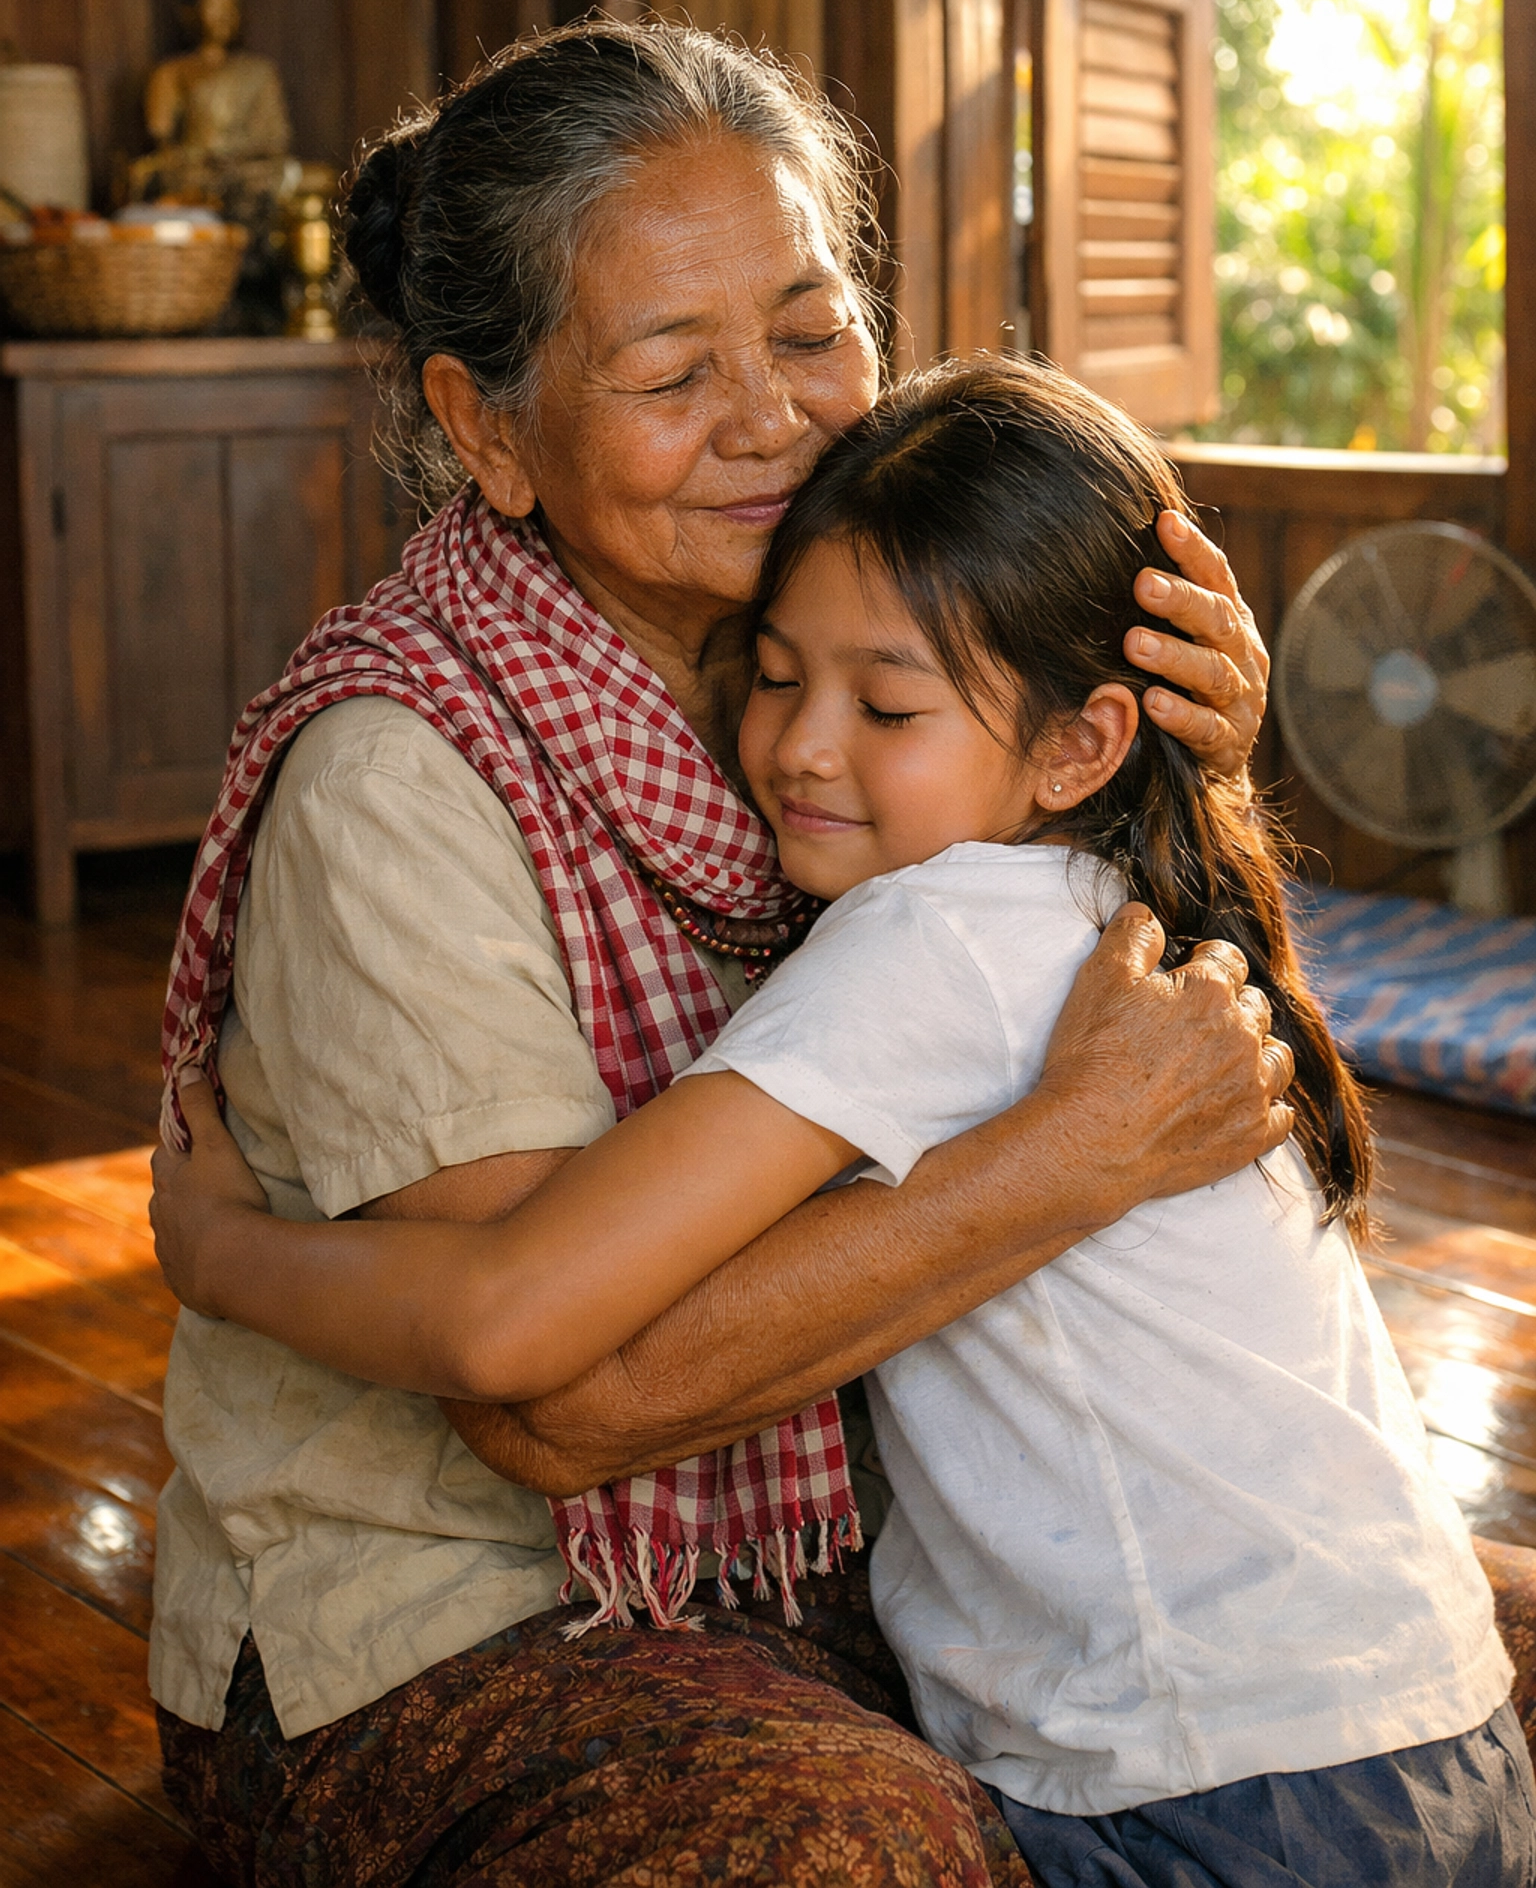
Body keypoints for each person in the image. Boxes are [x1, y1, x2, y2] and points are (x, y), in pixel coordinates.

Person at [148, 19, 1290, 1887]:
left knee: (1441, 1657)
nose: (775, 416)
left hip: (879, 1539)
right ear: (485, 427)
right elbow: (556, 1400)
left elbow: (1160, 1049)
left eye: (812, 329)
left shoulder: (886, 683)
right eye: (673, 370)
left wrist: (1178, 784)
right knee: (855, 1851)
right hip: (459, 1621)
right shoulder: (397, 779)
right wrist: (1065, 1165)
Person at [156, 357, 1535, 1886]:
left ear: (1080, 745)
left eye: (884, 705)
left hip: (1197, 1784)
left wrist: (219, 1255)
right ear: (487, 420)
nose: (805, 747)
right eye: (776, 674)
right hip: (1434, 1730)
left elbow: (507, 1323)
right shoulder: (1138, 879)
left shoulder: (924, 933)